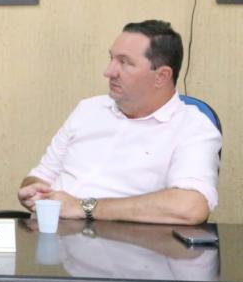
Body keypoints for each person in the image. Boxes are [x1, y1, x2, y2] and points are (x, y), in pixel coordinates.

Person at [17, 20, 221, 225]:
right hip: (48, 235)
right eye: (111, 58)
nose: (109, 71)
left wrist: (83, 207)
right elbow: (41, 176)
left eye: (125, 62)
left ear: (161, 76)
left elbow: (190, 207)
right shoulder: (88, 109)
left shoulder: (193, 127)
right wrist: (34, 190)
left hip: (118, 241)